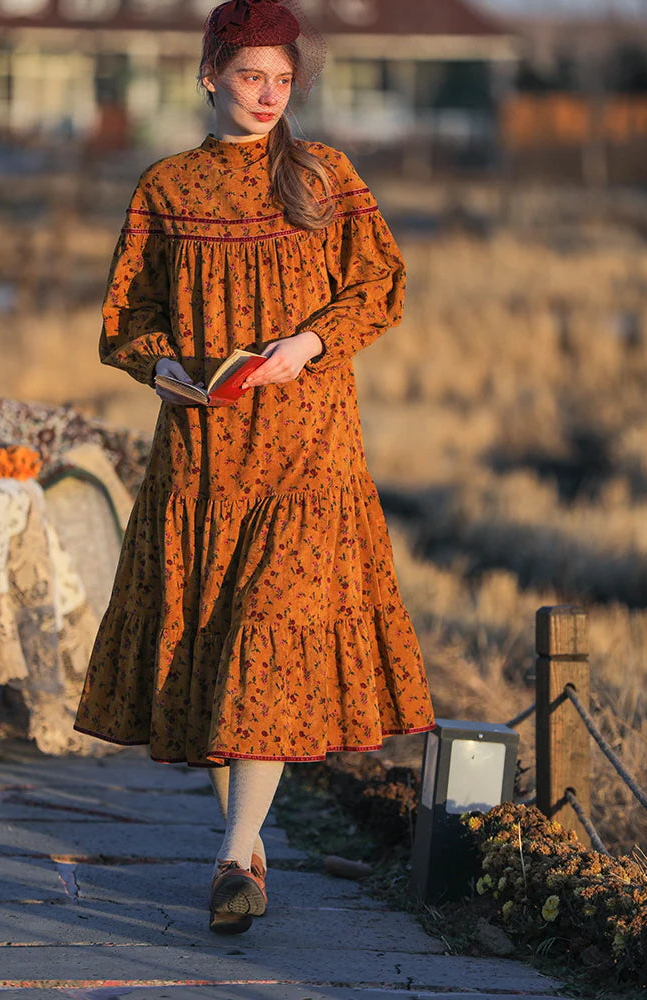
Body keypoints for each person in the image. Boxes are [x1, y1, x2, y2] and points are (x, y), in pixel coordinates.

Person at [74, 0, 434, 935]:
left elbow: (382, 285)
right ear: (210, 75)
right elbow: (126, 319)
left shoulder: (324, 175)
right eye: (250, 76)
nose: (269, 95)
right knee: (214, 644)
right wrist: (164, 369)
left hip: (310, 447)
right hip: (205, 454)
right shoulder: (166, 187)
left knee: (269, 634)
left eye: (282, 79)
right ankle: (244, 838)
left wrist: (309, 344)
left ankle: (234, 856)